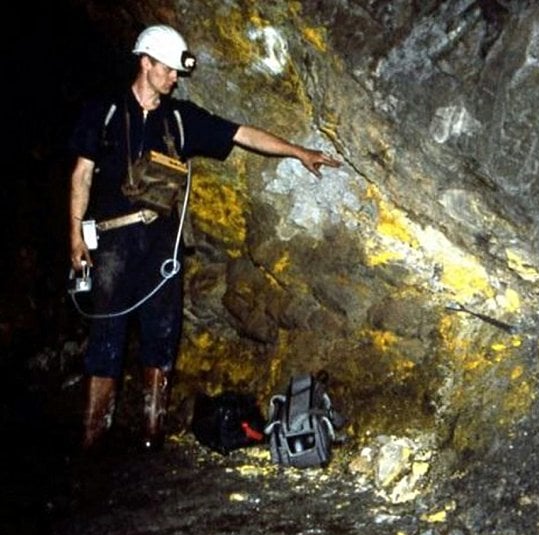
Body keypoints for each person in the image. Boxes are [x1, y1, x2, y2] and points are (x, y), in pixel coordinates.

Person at [68, 24, 341, 452]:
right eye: (169, 69)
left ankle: (152, 438)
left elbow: (242, 133)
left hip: (161, 246)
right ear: (146, 63)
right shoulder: (102, 111)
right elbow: (81, 174)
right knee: (107, 338)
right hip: (113, 245)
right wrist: (75, 236)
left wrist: (298, 151)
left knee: (161, 337)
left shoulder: (180, 119)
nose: (175, 78)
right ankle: (92, 440)